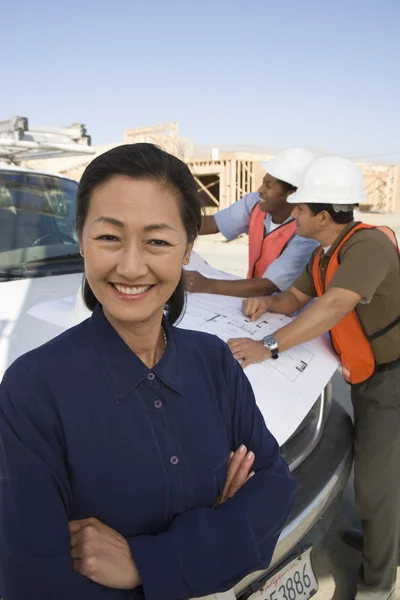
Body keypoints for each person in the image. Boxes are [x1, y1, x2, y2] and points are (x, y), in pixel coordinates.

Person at [0, 143, 297, 600]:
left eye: (157, 240)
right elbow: (36, 578)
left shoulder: (213, 361)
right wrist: (218, 524)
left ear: (187, 250)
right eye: (109, 238)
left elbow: (274, 491)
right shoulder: (33, 389)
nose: (131, 265)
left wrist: (146, 562)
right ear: (81, 239)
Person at [228, 156, 400, 600]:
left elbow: (332, 306)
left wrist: (268, 347)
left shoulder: (368, 247)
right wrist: (264, 306)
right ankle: (384, 545)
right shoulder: (325, 254)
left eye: (301, 209)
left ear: (324, 215)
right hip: (366, 374)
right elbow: (294, 300)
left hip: (392, 377)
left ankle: (378, 584)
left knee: (377, 482)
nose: (293, 213)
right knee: (377, 472)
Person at [184, 147, 318, 297]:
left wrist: (207, 285)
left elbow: (267, 286)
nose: (260, 189)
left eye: (269, 185)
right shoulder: (255, 203)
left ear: (291, 194)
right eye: (263, 182)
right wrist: (171, 224)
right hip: (253, 299)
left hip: (284, 310)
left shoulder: (307, 233)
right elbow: (213, 224)